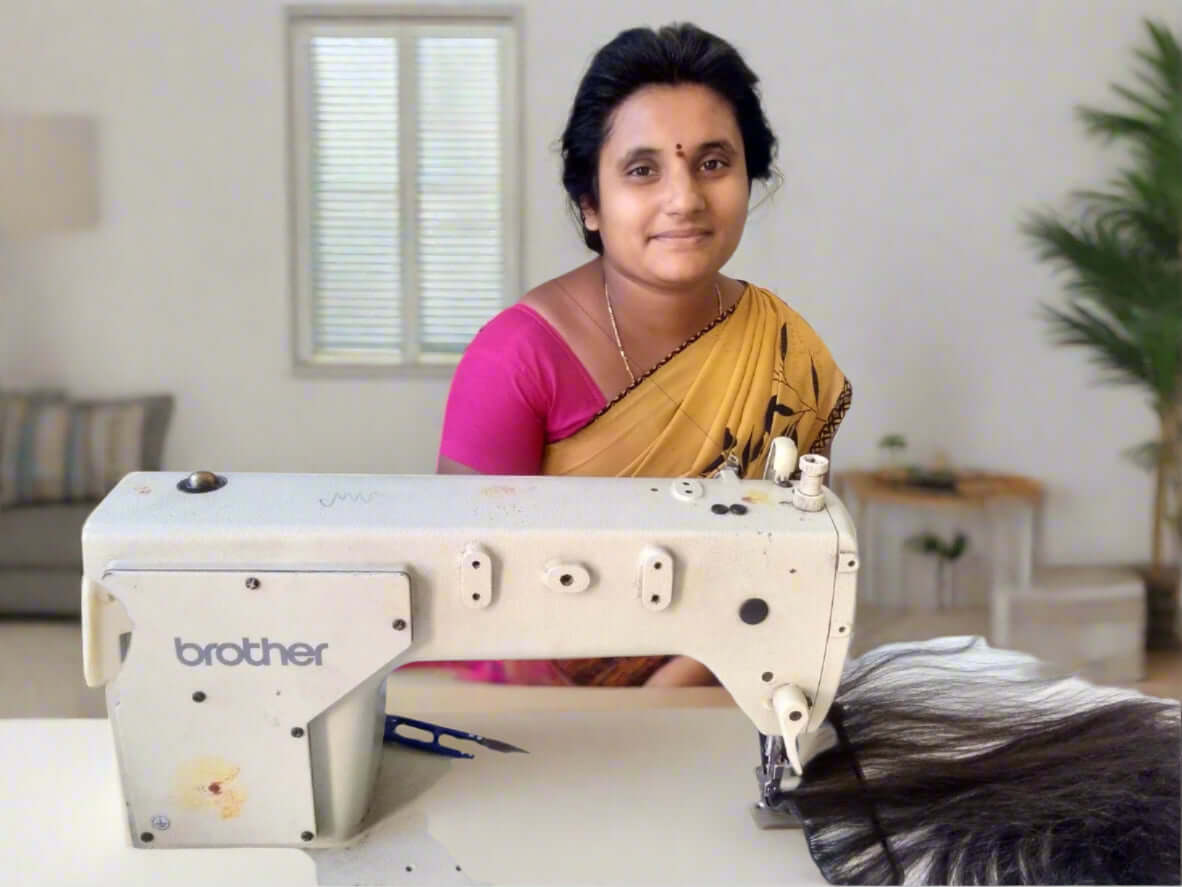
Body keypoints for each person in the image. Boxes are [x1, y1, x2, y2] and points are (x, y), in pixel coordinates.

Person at [435, 23, 852, 686]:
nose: (684, 199)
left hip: (727, 682)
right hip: (530, 714)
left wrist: (679, 685)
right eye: (642, 170)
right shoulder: (515, 359)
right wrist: (605, 724)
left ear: (751, 177)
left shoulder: (781, 347)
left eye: (713, 163)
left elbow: (786, 562)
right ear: (591, 204)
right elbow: (469, 581)